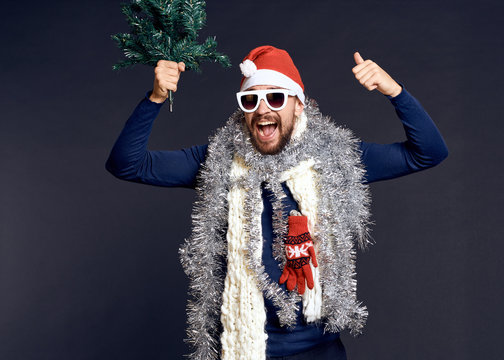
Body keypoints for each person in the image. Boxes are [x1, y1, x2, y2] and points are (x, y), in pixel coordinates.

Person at [106, 45, 448, 360]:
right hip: (246, 348)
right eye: (250, 101)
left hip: (320, 351)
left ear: (299, 104)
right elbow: (127, 164)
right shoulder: (217, 163)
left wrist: (395, 92)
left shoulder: (337, 158)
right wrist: (155, 98)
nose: (263, 109)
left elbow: (428, 152)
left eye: (275, 97)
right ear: (242, 111)